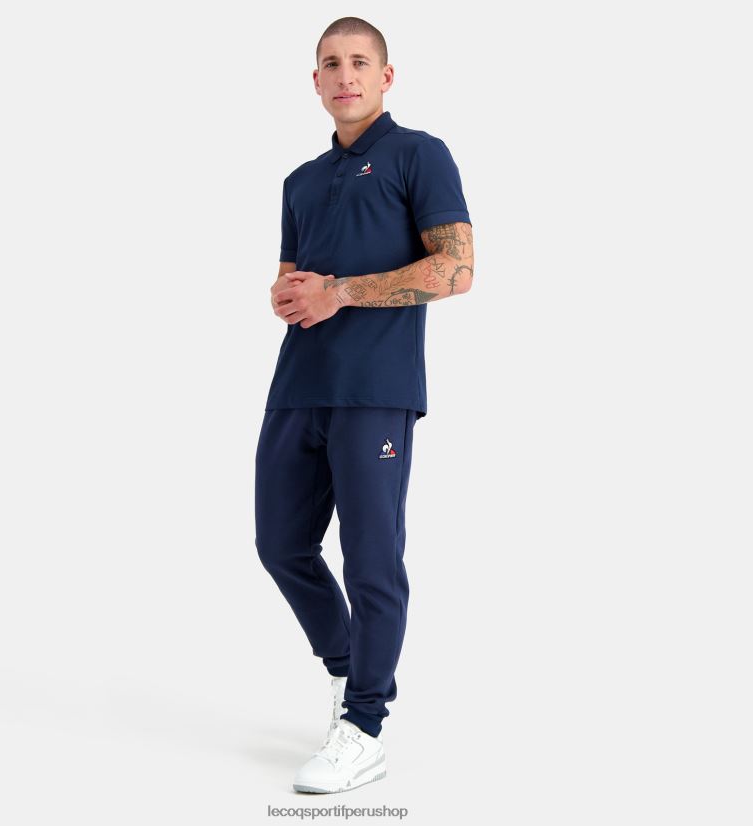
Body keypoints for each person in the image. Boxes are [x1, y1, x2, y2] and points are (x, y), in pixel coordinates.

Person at [254, 16, 474, 794]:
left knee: (373, 559)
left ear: (386, 76)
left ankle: (366, 727)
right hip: (297, 386)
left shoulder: (419, 154)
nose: (344, 75)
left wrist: (340, 292)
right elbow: (293, 275)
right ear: (315, 82)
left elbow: (456, 270)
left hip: (376, 390)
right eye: (330, 64)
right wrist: (288, 293)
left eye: (358, 62)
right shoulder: (300, 181)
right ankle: (351, 671)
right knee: (281, 545)